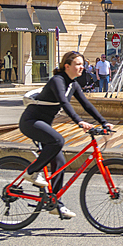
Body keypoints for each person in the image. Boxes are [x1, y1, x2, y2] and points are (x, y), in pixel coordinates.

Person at [19, 51, 113, 220]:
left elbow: (86, 104)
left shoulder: (73, 84)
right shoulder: (58, 81)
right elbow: (63, 102)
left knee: (60, 161)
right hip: (31, 121)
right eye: (78, 64)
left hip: (43, 125)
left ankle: (55, 203)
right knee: (58, 141)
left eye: (82, 64)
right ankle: (32, 171)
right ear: (67, 66)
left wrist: (103, 121)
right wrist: (79, 122)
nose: (82, 67)